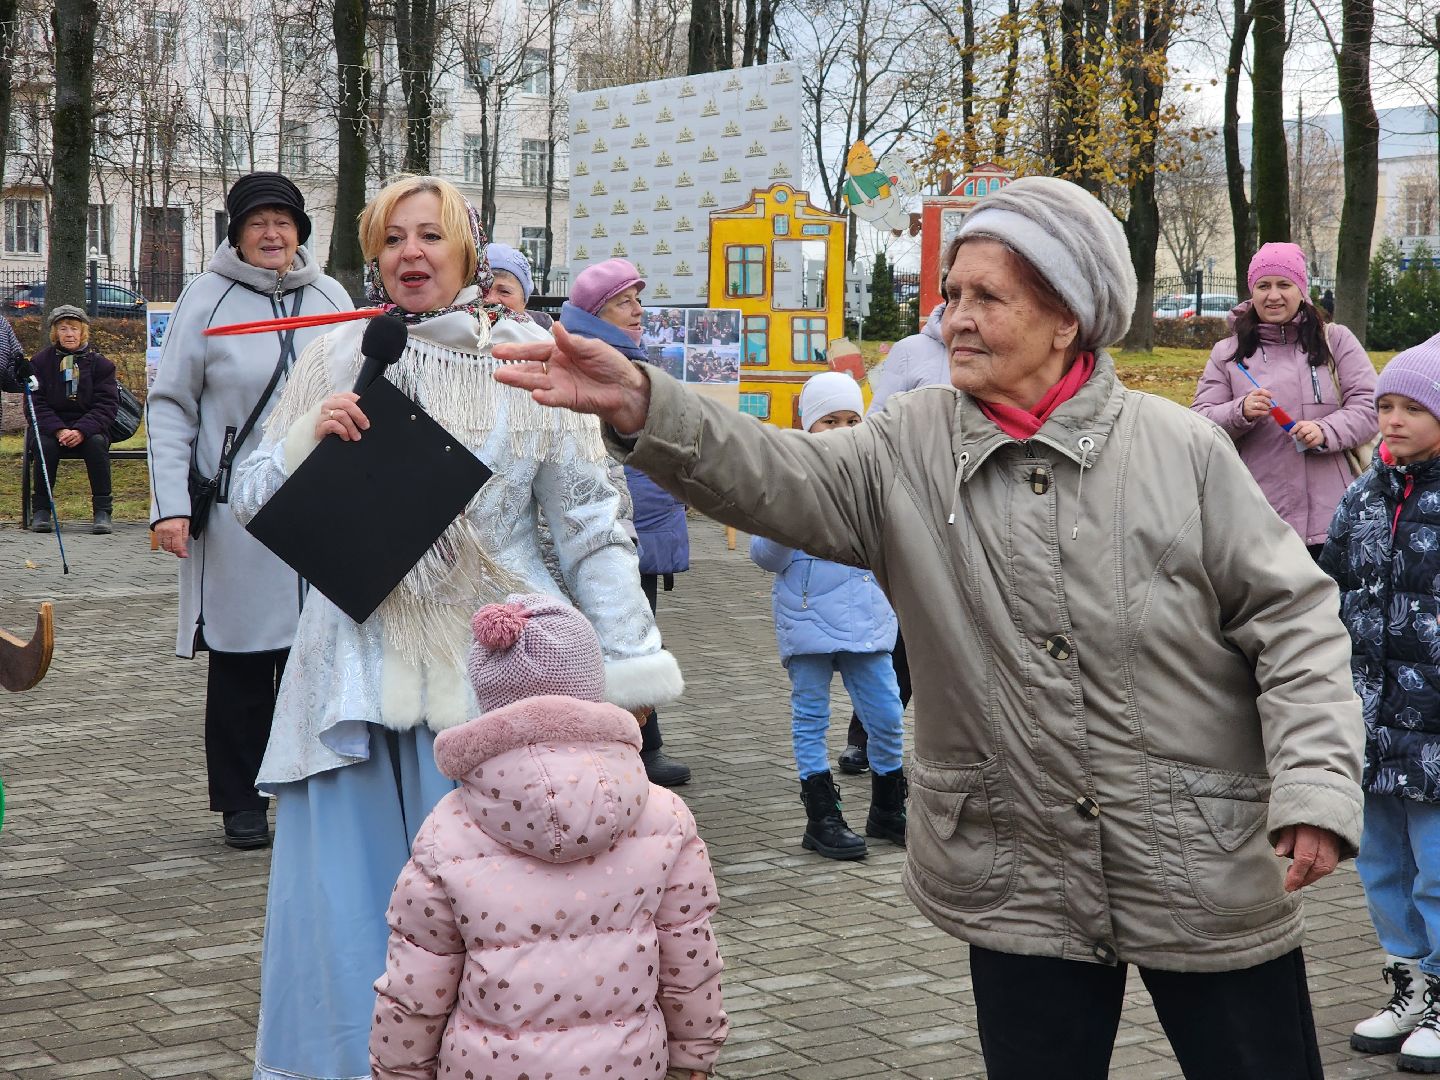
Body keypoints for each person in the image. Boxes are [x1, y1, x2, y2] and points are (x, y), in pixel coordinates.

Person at [495, 176, 1366, 1080]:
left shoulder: (1178, 448)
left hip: (1203, 857)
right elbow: (774, 471)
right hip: (1018, 869)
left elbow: (1294, 617)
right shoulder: (907, 442)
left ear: (1066, 318)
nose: (956, 317)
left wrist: (1315, 781)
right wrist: (644, 401)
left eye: (987, 297)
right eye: (951, 295)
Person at [230, 175, 682, 1080]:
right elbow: (250, 497)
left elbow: (594, 525)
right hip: (352, 688)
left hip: (499, 688)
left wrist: (631, 670)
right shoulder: (335, 351)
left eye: (430, 235)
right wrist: (302, 442)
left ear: (467, 250)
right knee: (356, 931)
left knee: (505, 932)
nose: (411, 254)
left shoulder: (528, 355)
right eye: (392, 237)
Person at [370, 594, 727, 1080]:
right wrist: (694, 1056)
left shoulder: (448, 829)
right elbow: (690, 960)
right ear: (591, 686)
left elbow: (417, 984)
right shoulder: (663, 816)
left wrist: (399, 1072)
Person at [146, 172, 353, 851]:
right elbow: (171, 404)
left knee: (313, 654)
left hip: (320, 508)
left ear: (301, 230)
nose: (272, 233)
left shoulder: (330, 296)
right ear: (235, 231)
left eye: (284, 221)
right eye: (257, 221)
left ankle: (307, 785)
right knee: (241, 659)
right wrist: (169, 506)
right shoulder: (205, 300)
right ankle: (240, 800)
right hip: (238, 513)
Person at [1320, 334, 1440, 1073]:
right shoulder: (1364, 494)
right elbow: (1328, 586)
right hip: (1370, 722)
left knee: (1439, 867)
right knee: (1384, 866)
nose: (1389, 419)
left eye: (1411, 407)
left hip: (1434, 730)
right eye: (1384, 405)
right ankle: (1408, 985)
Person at [749, 371, 906, 860]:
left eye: (851, 419)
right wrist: (788, 518)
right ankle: (822, 816)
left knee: (887, 716)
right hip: (807, 621)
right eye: (828, 420)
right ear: (808, 426)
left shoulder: (876, 477)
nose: (840, 429)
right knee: (810, 718)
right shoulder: (787, 479)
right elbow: (764, 556)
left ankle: (888, 808)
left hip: (868, 622)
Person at [560, 257, 692, 787]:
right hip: (609, 526)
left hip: (650, 521)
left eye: (639, 299)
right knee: (609, 632)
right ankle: (628, 746)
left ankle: (642, 741)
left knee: (639, 630)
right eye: (624, 301)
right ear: (595, 312)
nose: (638, 310)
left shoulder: (636, 358)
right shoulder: (586, 364)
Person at [1192, 243, 1378, 558]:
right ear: (1252, 292)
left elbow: (1370, 407)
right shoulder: (1228, 353)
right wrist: (1240, 412)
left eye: (1284, 284)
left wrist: (1325, 431)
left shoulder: (1336, 341)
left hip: (1333, 518)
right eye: (1263, 286)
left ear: (1301, 290)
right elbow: (1198, 422)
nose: (1273, 295)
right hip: (1256, 519)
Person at [838, 297, 948, 773]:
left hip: (987, 507)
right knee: (902, 636)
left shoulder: (1006, 347)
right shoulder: (911, 351)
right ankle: (867, 735)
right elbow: (879, 423)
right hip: (922, 504)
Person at [24, 306, 119, 535]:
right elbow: (34, 403)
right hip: (51, 428)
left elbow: (107, 405)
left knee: (96, 444)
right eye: (63, 329)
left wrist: (81, 430)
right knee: (44, 446)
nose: (69, 334)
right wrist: (58, 430)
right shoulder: (39, 363)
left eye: (74, 329)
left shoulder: (101, 365)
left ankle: (102, 512)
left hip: (88, 427)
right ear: (55, 333)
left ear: (83, 332)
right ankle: (42, 511)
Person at [483, 240, 551, 327]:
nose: (491, 299)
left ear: (524, 301)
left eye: (504, 291)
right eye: (482, 290)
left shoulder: (544, 333)